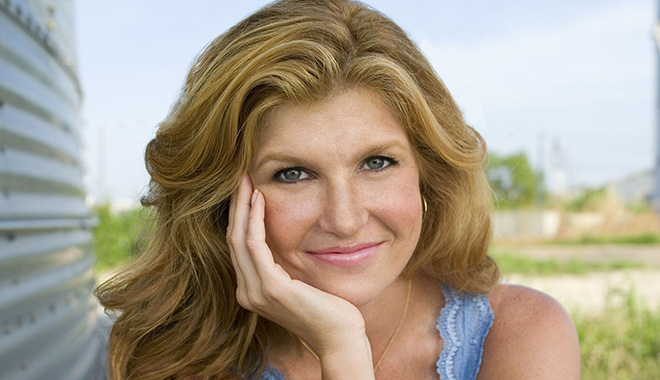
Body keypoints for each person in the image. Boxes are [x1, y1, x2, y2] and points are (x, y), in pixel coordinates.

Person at [96, 0, 580, 379]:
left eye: (376, 163)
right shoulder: (167, 358)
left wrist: (342, 354)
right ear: (224, 200)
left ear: (427, 171)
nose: (345, 219)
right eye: (293, 174)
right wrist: (342, 344)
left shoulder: (521, 336)